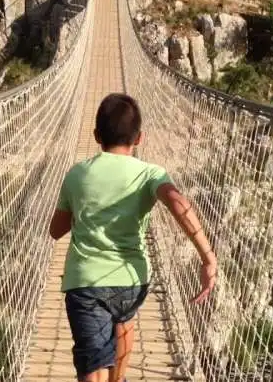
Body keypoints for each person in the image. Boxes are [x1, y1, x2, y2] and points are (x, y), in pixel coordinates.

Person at [49, 93, 218, 382]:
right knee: (123, 323)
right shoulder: (150, 173)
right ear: (139, 138)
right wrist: (207, 257)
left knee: (93, 359)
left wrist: (85, 209)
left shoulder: (76, 175)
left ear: (96, 136)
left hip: (86, 282)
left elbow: (56, 231)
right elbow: (179, 204)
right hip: (131, 283)